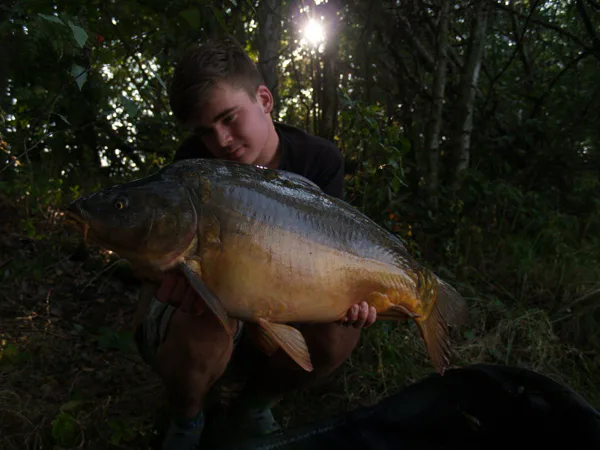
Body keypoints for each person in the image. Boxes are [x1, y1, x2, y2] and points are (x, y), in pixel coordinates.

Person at [132, 37, 377, 450]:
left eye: (229, 118)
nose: (221, 141)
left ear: (264, 99)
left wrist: (353, 294)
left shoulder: (319, 161)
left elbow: (337, 250)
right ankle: (188, 416)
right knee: (200, 323)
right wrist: (159, 274)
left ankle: (255, 405)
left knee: (341, 333)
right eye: (206, 131)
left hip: (289, 294)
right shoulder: (194, 165)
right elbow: (167, 251)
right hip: (221, 297)